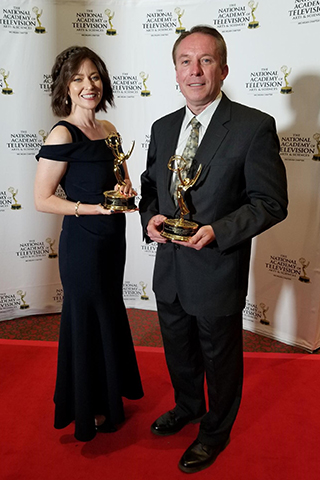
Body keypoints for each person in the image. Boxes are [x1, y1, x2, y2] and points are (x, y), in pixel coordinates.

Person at [139, 25, 288, 473]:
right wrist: (150, 217)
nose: (195, 71)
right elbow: (150, 188)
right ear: (175, 72)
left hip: (217, 266)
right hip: (169, 268)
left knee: (219, 357)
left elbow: (271, 203)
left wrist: (218, 231)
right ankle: (187, 406)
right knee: (177, 348)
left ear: (222, 69)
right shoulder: (163, 127)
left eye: (205, 61)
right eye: (186, 61)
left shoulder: (253, 127)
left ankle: (215, 431)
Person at [34, 46, 143, 442]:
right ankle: (87, 406)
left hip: (113, 241)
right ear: (65, 86)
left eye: (94, 76)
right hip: (83, 243)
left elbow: (120, 184)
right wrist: (92, 209)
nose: (88, 85)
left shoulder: (110, 130)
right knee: (85, 320)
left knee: (109, 313)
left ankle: (109, 398)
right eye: (78, 78)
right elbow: (42, 198)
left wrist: (123, 192)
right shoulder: (62, 133)